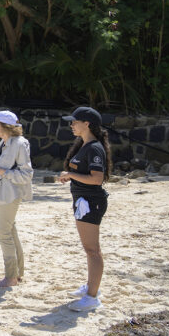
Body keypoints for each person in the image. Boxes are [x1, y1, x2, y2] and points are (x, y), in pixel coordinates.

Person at [57, 106, 111, 312]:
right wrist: (69, 175)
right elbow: (84, 174)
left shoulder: (94, 147)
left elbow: (97, 179)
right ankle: (91, 287)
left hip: (91, 201)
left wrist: (70, 175)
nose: (71, 125)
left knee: (92, 250)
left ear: (86, 124)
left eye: (74, 121)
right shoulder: (84, 145)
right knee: (89, 249)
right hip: (83, 201)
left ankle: (92, 297)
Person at [0, 111, 33, 288]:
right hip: (2, 192)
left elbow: (27, 175)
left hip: (10, 193)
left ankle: (10, 278)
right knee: (10, 231)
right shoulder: (5, 142)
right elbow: (3, 168)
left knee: (3, 232)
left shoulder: (19, 143)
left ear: (5, 126)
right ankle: (17, 274)